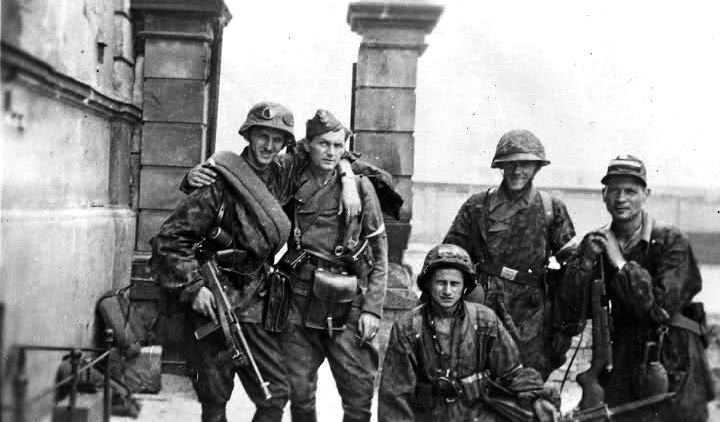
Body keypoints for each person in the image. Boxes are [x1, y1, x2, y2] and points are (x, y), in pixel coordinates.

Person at [152, 102, 362, 422]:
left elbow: (327, 144)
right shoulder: (218, 181)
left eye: (277, 140)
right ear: (248, 136)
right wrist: (193, 288)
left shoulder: (283, 172)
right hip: (215, 298)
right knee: (214, 396)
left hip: (256, 299)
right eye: (262, 136)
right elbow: (169, 240)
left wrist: (346, 177)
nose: (269, 146)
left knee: (274, 393)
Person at [559, 154, 714, 421]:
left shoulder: (671, 241)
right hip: (622, 357)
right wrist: (584, 263)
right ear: (604, 195)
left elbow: (660, 309)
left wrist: (619, 262)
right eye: (614, 190)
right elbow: (570, 313)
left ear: (646, 194)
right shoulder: (595, 242)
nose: (621, 198)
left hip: (673, 356)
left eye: (630, 191)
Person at [278, 109, 388, 422]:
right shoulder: (293, 179)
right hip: (299, 296)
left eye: (338, 146)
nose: (331, 152)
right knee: (299, 392)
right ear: (309, 144)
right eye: (323, 144)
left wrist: (372, 309)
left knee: (359, 395)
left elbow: (380, 253)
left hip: (349, 299)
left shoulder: (361, 187)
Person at [443, 129, 577, 379]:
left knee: (527, 379)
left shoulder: (550, 208)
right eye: (510, 164)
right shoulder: (477, 205)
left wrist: (564, 321)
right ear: (500, 166)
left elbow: (572, 265)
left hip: (530, 313)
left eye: (525, 164)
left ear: (536, 168)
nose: (517, 171)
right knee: (474, 377)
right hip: (482, 303)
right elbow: (450, 257)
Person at [378, 244, 559, 422]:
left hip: (477, 414)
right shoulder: (408, 328)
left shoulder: (485, 320)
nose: (447, 291)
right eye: (441, 283)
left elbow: (512, 373)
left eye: (454, 284)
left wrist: (537, 399)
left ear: (465, 286)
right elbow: (395, 396)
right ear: (428, 284)